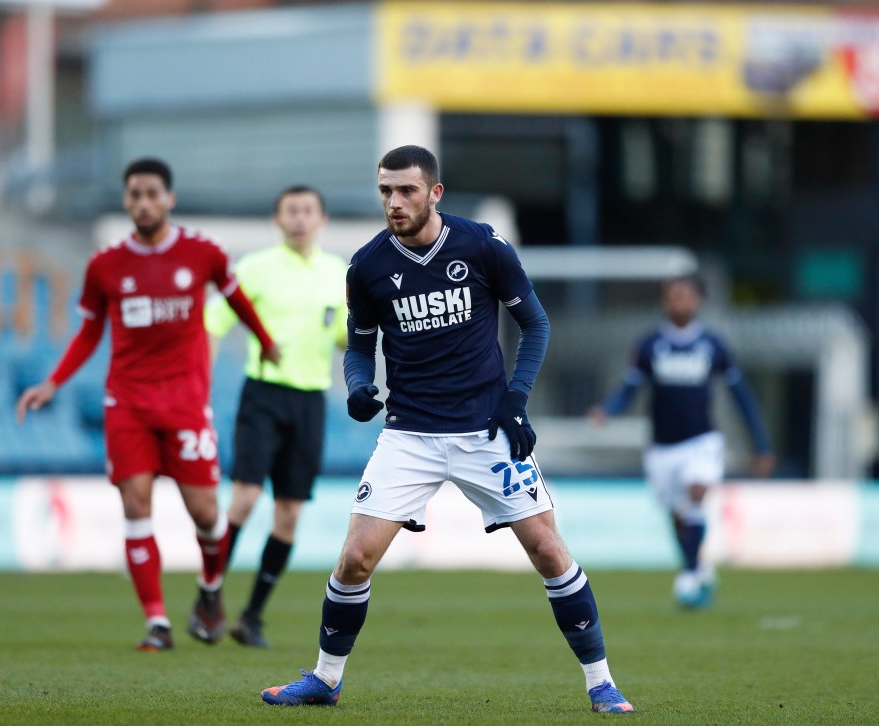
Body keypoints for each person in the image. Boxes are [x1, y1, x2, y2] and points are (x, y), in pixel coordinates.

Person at [260, 145, 634, 714]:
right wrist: (359, 386)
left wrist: (515, 400)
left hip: (487, 430)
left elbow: (534, 324)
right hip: (409, 436)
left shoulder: (480, 245)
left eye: (406, 190)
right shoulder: (366, 267)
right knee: (356, 558)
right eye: (385, 190)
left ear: (435, 192)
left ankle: (601, 683)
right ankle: (325, 679)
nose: (394, 202)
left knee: (549, 551)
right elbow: (360, 350)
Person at [16, 158, 281, 651]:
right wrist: (53, 382)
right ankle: (157, 624)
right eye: (134, 194)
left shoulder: (203, 254)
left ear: (169, 199)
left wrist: (263, 340)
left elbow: (237, 298)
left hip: (184, 402)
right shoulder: (106, 265)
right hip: (129, 403)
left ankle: (209, 590)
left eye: (151, 194)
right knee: (136, 507)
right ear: (126, 200)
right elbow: (90, 329)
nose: (143, 202)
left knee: (206, 515)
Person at [204, 185, 347, 648]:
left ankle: (251, 617)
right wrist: (198, 387)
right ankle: (209, 599)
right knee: (243, 499)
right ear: (277, 219)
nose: (300, 219)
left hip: (310, 400)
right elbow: (212, 324)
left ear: (322, 219)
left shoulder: (338, 274)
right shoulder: (255, 268)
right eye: (292, 211)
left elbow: (348, 336)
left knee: (289, 514)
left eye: (308, 211)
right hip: (263, 395)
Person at [589, 274, 774, 608]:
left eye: (684, 296)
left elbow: (742, 397)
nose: (678, 302)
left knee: (696, 494)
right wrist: (608, 410)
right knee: (677, 515)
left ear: (698, 301)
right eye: (672, 296)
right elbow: (630, 389)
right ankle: (698, 564)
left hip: (701, 440)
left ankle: (689, 574)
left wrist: (761, 445)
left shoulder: (713, 345)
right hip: (662, 446)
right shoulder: (650, 345)